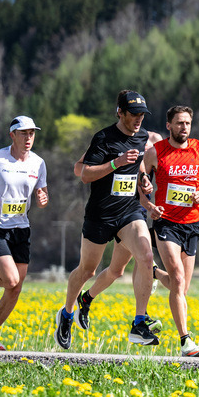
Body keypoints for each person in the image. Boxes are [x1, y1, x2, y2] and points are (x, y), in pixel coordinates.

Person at [55, 90, 158, 350]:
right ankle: (67, 313)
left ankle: (139, 323)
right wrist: (116, 163)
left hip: (129, 212)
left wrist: (144, 178)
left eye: (142, 115)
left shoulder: (142, 136)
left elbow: (138, 163)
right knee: (87, 270)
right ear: (120, 113)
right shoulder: (103, 138)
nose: (139, 119)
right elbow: (85, 174)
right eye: (134, 114)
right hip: (101, 215)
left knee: (145, 257)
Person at [140, 105, 199, 358]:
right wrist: (149, 207)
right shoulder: (155, 152)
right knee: (177, 277)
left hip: (192, 222)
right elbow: (140, 187)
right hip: (166, 223)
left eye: (187, 123)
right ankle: (185, 341)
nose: (184, 127)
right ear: (169, 126)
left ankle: (153, 272)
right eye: (179, 123)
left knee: (181, 287)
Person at [71, 131, 170, 335]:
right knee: (143, 259)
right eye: (135, 115)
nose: (138, 119)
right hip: (113, 209)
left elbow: (160, 177)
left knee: (117, 271)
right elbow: (80, 168)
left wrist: (150, 194)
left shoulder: (155, 140)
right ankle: (141, 316)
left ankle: (86, 298)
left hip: (137, 210)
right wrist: (111, 166)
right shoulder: (115, 139)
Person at [0, 117, 49, 351]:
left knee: (15, 288)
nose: (28, 138)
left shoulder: (38, 163)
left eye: (32, 133)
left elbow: (42, 194)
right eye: (23, 133)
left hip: (21, 229)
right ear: (12, 135)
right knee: (11, 280)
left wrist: (43, 199)